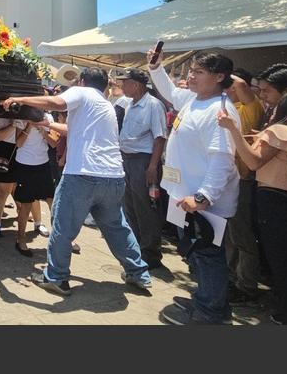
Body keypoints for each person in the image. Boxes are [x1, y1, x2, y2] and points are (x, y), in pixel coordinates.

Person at [2, 67, 152, 298]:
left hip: (83, 175)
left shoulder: (82, 93)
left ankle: (56, 277)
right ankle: (138, 273)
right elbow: (72, 129)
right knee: (116, 227)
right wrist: (48, 125)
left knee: (62, 227)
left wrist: (18, 99)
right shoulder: (105, 105)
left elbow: (58, 103)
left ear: (82, 81)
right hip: (113, 177)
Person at [146, 50, 241, 325]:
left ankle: (210, 313)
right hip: (182, 196)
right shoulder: (193, 100)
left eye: (199, 72)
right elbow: (170, 91)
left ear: (219, 77)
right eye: (191, 70)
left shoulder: (220, 111)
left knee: (208, 255)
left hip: (202, 203)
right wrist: (156, 67)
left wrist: (203, 197)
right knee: (194, 253)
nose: (191, 76)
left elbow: (222, 158)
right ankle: (207, 300)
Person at [218, 92, 287, 324]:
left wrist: (233, 129)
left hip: (275, 203)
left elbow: (253, 161)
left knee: (284, 268)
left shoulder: (279, 131)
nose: (270, 108)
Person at [219, 68, 267, 305]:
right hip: (228, 178)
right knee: (230, 235)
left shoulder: (252, 106)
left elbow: (241, 86)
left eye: (229, 83)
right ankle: (231, 278)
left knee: (242, 236)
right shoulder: (228, 108)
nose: (226, 88)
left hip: (244, 179)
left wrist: (222, 74)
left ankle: (247, 285)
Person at [114, 67, 168, 270]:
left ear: (135, 85)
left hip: (143, 161)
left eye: (125, 82)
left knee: (146, 208)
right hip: (127, 160)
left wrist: (153, 166)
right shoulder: (128, 103)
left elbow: (159, 138)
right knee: (130, 205)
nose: (122, 86)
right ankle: (137, 247)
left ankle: (151, 254)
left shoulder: (153, 105)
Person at [12, 115, 57, 257]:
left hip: (43, 164)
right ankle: (21, 239)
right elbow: (18, 143)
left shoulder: (48, 117)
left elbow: (54, 143)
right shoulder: (21, 118)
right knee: (26, 204)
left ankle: (62, 239)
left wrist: (43, 131)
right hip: (25, 164)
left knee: (52, 201)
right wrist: (29, 126)